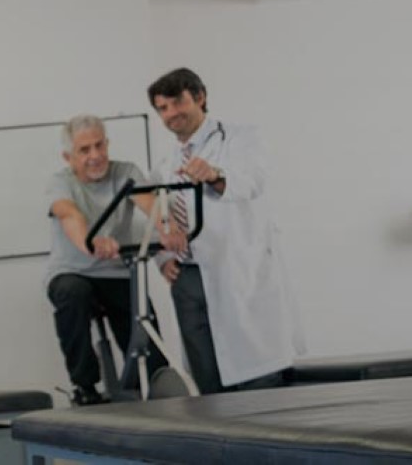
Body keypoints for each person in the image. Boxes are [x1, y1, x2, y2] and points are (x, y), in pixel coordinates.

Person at [148, 67, 301, 394]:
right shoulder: (166, 161)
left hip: (236, 267)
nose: (171, 114)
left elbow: (253, 180)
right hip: (188, 276)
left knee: (256, 378)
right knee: (207, 380)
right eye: (163, 108)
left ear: (200, 97)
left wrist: (215, 174)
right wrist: (163, 258)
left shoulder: (240, 138)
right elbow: (158, 214)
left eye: (177, 102)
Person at [44, 114, 160, 405]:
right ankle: (85, 387)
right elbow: (69, 214)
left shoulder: (126, 172)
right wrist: (91, 242)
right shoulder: (60, 182)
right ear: (68, 156)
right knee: (73, 293)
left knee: (141, 317)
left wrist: (167, 229)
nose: (95, 156)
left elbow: (151, 205)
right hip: (73, 271)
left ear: (107, 144)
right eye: (85, 150)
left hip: (116, 272)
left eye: (99, 146)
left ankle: (147, 386)